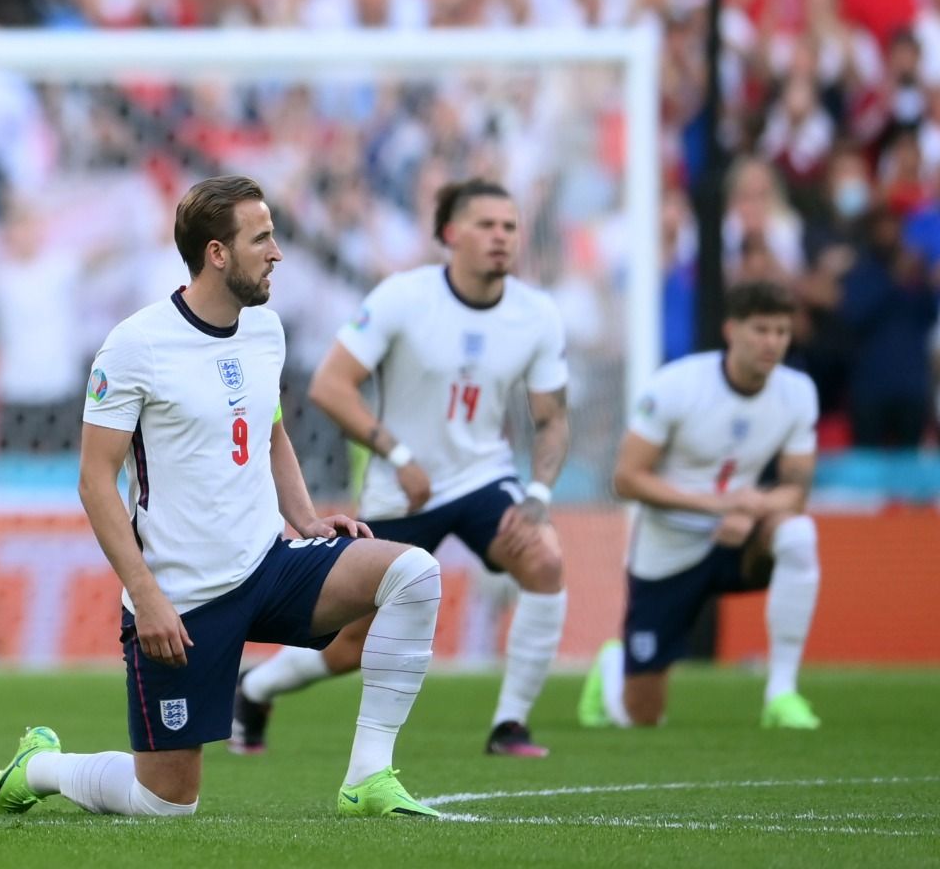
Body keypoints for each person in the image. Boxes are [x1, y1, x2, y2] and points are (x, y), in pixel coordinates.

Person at [0, 175, 443, 820]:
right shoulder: (135, 344)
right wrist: (146, 596)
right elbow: (95, 481)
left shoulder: (266, 330)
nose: (277, 253)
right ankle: (41, 766)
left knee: (413, 574)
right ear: (217, 254)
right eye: (262, 239)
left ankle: (367, 778)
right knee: (166, 802)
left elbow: (271, 429)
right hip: (184, 596)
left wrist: (305, 519)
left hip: (269, 565)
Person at [233, 178, 572, 758]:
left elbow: (552, 418)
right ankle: (256, 688)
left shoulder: (537, 314)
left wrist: (538, 491)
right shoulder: (403, 297)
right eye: (487, 225)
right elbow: (331, 386)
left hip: (483, 477)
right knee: (349, 645)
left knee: (543, 559)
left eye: (510, 227)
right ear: (450, 234)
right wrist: (399, 454)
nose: (501, 238)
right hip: (404, 489)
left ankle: (509, 725)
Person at [581, 281, 822, 731]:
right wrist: (718, 506)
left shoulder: (798, 392)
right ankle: (615, 666)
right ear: (732, 330)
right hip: (668, 548)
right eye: (761, 330)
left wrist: (749, 509)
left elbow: (796, 489)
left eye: (781, 332)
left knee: (797, 533)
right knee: (642, 718)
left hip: (739, 536)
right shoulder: (677, 385)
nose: (772, 342)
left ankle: (782, 693)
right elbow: (627, 478)